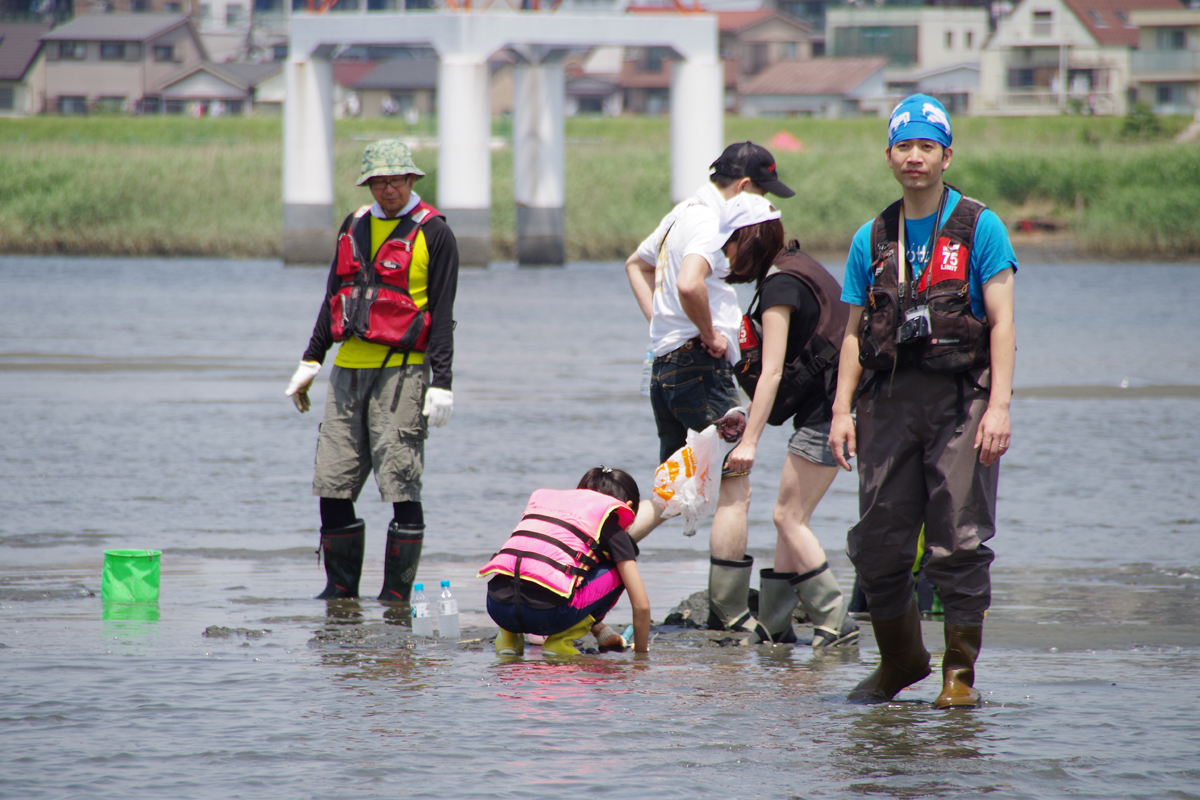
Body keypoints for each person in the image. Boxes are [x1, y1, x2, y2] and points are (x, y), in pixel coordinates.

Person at [828, 95, 1016, 707]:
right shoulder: (871, 236)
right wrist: (839, 412)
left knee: (958, 541)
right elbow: (853, 334)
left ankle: (958, 677)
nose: (914, 157)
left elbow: (1003, 324)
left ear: (946, 154)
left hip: (961, 400)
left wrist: (1000, 407)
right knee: (878, 545)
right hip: (886, 405)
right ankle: (901, 661)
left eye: (926, 146)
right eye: (904, 146)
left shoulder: (980, 225)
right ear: (889, 155)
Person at [624, 142, 795, 634]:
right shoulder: (707, 221)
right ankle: (730, 610)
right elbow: (690, 284)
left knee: (675, 482)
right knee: (734, 488)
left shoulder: (682, 213)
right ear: (744, 187)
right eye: (761, 193)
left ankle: (602, 556)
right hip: (700, 369)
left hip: (668, 367)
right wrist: (706, 333)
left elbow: (636, 265)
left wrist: (665, 329)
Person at [285, 139, 459, 603]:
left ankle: (394, 599)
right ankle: (340, 593)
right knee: (333, 481)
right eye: (379, 182)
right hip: (347, 372)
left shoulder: (435, 233)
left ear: (412, 180)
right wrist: (310, 359)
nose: (389, 189)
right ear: (369, 184)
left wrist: (442, 383)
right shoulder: (354, 225)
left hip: (403, 375)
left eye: (398, 180)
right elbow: (334, 296)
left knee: (401, 480)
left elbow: (441, 315)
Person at [715, 193, 860, 649]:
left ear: (748, 239)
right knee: (790, 517)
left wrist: (749, 441)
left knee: (786, 516)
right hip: (841, 404)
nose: (725, 255)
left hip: (831, 412)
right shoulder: (796, 264)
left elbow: (773, 370)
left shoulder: (779, 287)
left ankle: (837, 619)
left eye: (729, 244)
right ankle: (776, 624)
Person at [479, 467, 652, 656]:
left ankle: (509, 639)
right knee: (620, 570)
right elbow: (641, 605)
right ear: (626, 506)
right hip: (547, 616)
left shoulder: (550, 511)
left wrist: (602, 631)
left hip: (497, 607)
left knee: (525, 565)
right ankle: (559, 642)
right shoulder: (611, 520)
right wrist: (641, 656)